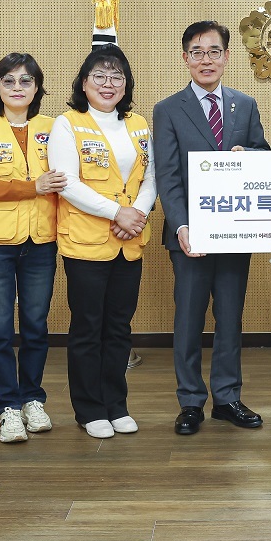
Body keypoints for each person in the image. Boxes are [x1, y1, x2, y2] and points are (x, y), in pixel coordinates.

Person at [153, 20, 269, 435]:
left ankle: (227, 397)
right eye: (198, 53)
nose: (206, 60)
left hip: (235, 231)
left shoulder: (245, 104)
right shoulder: (168, 109)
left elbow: (263, 154)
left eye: (214, 52)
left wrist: (248, 155)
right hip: (190, 235)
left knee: (230, 317)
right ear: (185, 58)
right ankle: (190, 401)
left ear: (227, 57)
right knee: (188, 319)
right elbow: (167, 175)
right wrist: (181, 225)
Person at [49, 45, 156, 439]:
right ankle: (90, 409)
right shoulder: (68, 124)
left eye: (117, 76)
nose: (108, 83)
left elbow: (151, 177)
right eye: (99, 76)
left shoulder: (138, 123)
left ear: (126, 85)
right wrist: (117, 213)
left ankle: (116, 404)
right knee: (87, 327)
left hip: (129, 240)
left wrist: (136, 214)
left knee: (119, 327)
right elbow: (66, 183)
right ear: (83, 82)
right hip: (86, 243)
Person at [0, 53, 65, 444]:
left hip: (40, 242)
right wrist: (33, 187)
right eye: (8, 81)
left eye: (26, 81)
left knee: (36, 326)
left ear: (37, 87)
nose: (17, 88)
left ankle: (33, 399)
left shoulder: (54, 127)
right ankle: (7, 407)